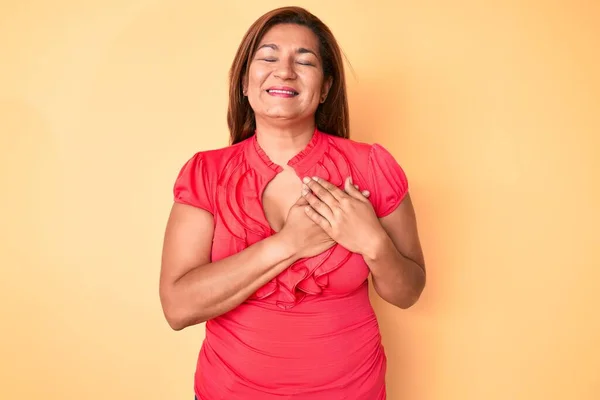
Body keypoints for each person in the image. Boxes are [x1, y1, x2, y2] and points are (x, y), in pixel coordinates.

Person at [159, 6, 426, 400]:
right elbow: (177, 308)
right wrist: (289, 244)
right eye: (268, 57)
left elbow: (409, 291)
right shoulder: (206, 172)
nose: (284, 71)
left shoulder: (371, 166)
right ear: (245, 84)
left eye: (305, 61)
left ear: (325, 88)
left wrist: (373, 242)